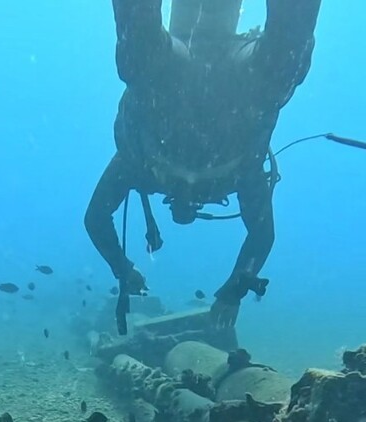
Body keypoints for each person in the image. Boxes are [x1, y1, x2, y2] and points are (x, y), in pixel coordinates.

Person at [85, 0, 322, 338]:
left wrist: (123, 269)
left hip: (189, 75)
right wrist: (232, 292)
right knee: (143, 51)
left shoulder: (137, 164)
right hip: (208, 75)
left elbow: (95, 218)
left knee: (282, 56)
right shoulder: (236, 173)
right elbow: (262, 234)